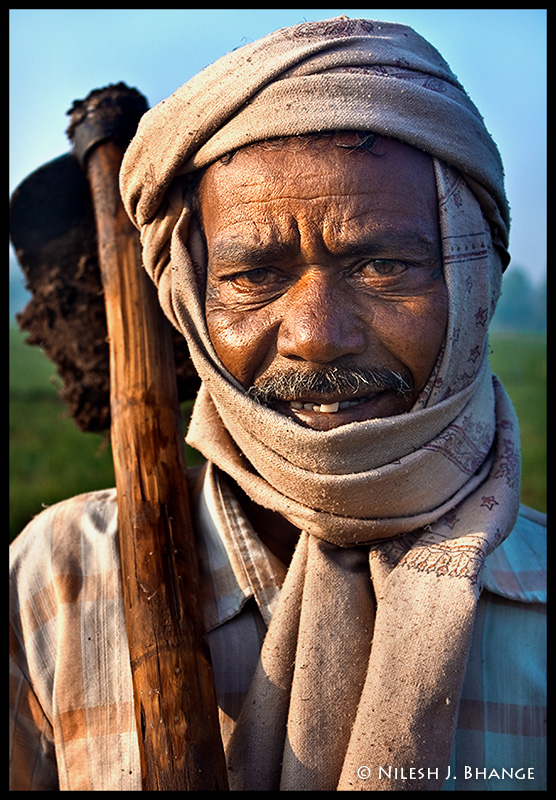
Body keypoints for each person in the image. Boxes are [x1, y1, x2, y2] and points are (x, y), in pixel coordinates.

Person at [10, 17, 545, 791]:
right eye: (254, 276)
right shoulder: (57, 583)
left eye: (384, 264)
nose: (317, 336)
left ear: (473, 279)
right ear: (190, 301)